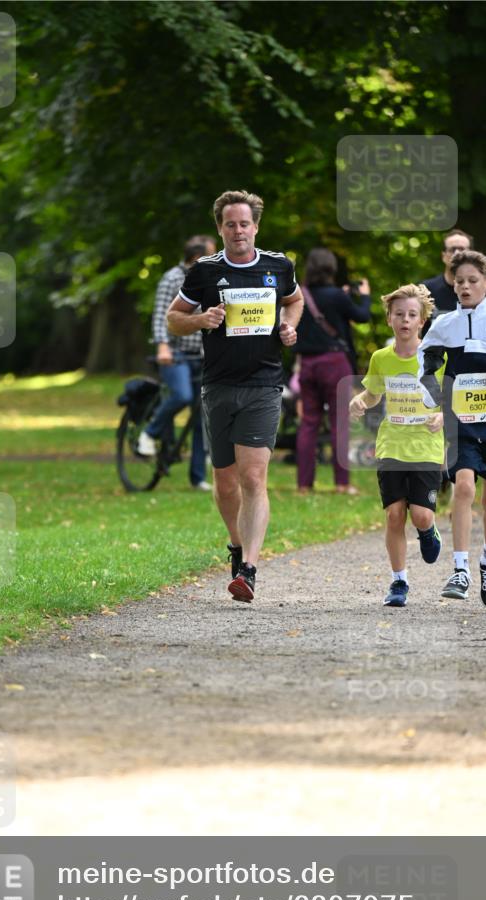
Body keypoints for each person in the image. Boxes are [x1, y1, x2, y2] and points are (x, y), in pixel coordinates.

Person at [166, 189, 303, 602]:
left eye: (245, 223)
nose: (238, 230)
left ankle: (249, 570)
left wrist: (289, 326)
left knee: (253, 477)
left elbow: (295, 301)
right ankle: (237, 544)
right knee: (226, 483)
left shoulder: (278, 266)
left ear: (256, 227)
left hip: (263, 384)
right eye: (231, 224)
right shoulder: (205, 272)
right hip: (218, 386)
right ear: (220, 228)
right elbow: (174, 319)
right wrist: (201, 319)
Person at [417, 250, 486, 607]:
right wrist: (435, 397)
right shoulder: (444, 324)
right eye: (459, 281)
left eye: (472, 281)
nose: (465, 287)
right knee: (464, 486)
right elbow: (426, 362)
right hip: (461, 422)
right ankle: (460, 569)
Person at [350, 284, 444, 607]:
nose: (405, 320)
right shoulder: (381, 358)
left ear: (422, 321)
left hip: (426, 445)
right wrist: (360, 402)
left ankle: (428, 531)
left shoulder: (435, 357)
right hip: (391, 444)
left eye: (412, 315)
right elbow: (373, 394)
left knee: (420, 515)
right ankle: (399, 582)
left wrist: (443, 416)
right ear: (389, 318)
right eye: (399, 314)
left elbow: (451, 397)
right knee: (394, 515)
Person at [136, 235, 217, 490]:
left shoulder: (211, 277)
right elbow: (161, 315)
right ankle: (149, 434)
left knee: (201, 415)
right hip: (175, 353)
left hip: (200, 355)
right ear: (197, 257)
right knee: (181, 395)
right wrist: (162, 346)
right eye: (212, 254)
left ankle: (197, 477)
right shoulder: (171, 278)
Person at [293, 248, 371, 495]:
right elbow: (362, 317)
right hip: (335, 363)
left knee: (309, 423)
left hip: (307, 363)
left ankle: (304, 485)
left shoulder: (299, 294)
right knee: (340, 422)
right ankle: (342, 483)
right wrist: (364, 297)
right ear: (332, 268)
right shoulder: (337, 296)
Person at [420, 229, 473, 320]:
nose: (457, 253)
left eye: (462, 249)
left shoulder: (485, 293)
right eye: (452, 249)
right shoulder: (425, 292)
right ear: (443, 256)